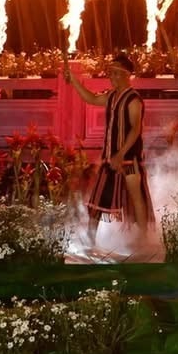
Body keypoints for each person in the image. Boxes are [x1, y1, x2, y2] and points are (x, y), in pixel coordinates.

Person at [66, 53, 153, 239]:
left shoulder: (134, 99)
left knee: (136, 197)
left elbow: (136, 129)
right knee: (98, 199)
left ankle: (144, 240)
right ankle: (89, 240)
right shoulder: (111, 96)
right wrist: (73, 80)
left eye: (115, 73)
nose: (111, 77)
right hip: (109, 157)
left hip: (129, 160)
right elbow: (90, 98)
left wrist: (121, 154)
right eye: (110, 73)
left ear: (126, 74)